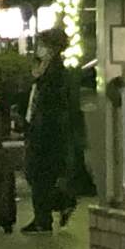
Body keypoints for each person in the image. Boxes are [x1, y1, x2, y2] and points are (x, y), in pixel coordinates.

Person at [21, 28, 83, 233]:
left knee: (39, 174)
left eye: (43, 44)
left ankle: (45, 217)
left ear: (53, 48)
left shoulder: (55, 72)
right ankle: (57, 207)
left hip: (48, 130)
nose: (39, 48)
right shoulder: (44, 68)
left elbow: (53, 103)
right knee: (38, 175)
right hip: (41, 127)